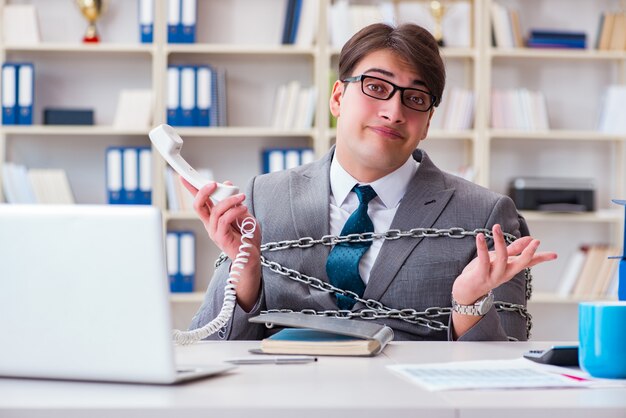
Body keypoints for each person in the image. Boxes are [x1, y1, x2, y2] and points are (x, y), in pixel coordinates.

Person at [183, 23, 557, 341]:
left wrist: (469, 303)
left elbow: (506, 367)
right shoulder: (262, 199)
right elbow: (207, 345)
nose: (394, 112)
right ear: (337, 97)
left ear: (427, 123)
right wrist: (246, 275)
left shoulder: (485, 215)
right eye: (377, 87)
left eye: (415, 98)